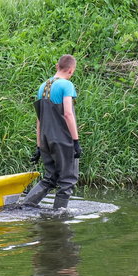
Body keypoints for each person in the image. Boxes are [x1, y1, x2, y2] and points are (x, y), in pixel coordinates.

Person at [22, 54, 81, 210]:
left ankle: (25, 206)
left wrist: (39, 145)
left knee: (50, 177)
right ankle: (58, 218)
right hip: (62, 140)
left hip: (45, 139)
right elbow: (68, 113)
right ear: (71, 70)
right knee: (67, 180)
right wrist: (75, 141)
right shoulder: (67, 85)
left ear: (57, 66)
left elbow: (39, 119)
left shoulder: (43, 86)